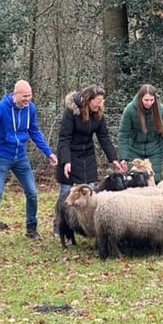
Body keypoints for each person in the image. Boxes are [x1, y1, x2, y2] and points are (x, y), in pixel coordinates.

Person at [0, 80, 58, 242]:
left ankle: (31, 228)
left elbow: (34, 131)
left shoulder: (30, 108)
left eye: (30, 96)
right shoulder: (1, 107)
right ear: (15, 94)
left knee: (32, 193)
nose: (27, 99)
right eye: (24, 96)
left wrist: (48, 153)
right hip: (1, 157)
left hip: (21, 158)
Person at [54, 85, 125, 235]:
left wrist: (114, 159)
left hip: (87, 154)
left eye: (101, 102)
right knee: (66, 191)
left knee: (90, 191)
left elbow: (103, 137)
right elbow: (64, 138)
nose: (99, 105)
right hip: (69, 153)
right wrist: (66, 161)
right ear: (88, 100)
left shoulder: (98, 113)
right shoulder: (71, 112)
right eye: (97, 102)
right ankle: (59, 226)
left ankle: (89, 226)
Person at [117, 84, 163, 179]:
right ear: (140, 98)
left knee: (154, 179)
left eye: (151, 100)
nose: (149, 103)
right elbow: (123, 135)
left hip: (155, 151)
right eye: (146, 100)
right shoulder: (130, 110)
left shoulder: (161, 111)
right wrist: (123, 158)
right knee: (135, 181)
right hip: (134, 150)